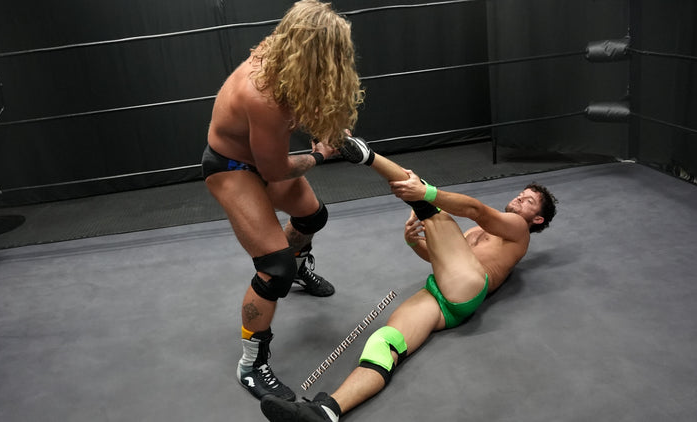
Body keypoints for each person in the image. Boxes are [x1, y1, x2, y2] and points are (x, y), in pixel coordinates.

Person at [260, 137, 558, 421]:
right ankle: (327, 411)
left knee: (431, 208)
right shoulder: (476, 235)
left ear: (538, 219)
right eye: (522, 193)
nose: (521, 197)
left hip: (470, 286)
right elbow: (442, 260)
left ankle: (367, 156)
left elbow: (475, 209)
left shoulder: (519, 230)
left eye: (529, 201)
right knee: (384, 343)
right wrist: (415, 243)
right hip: (444, 298)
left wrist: (426, 193)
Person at [201, 1, 364, 402]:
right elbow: (274, 171)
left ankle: (299, 267)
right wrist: (321, 155)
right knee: (275, 268)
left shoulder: (287, 56)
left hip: (262, 159)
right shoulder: (263, 94)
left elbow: (304, 101)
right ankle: (251, 365)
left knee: (312, 216)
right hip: (232, 167)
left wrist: (328, 126)